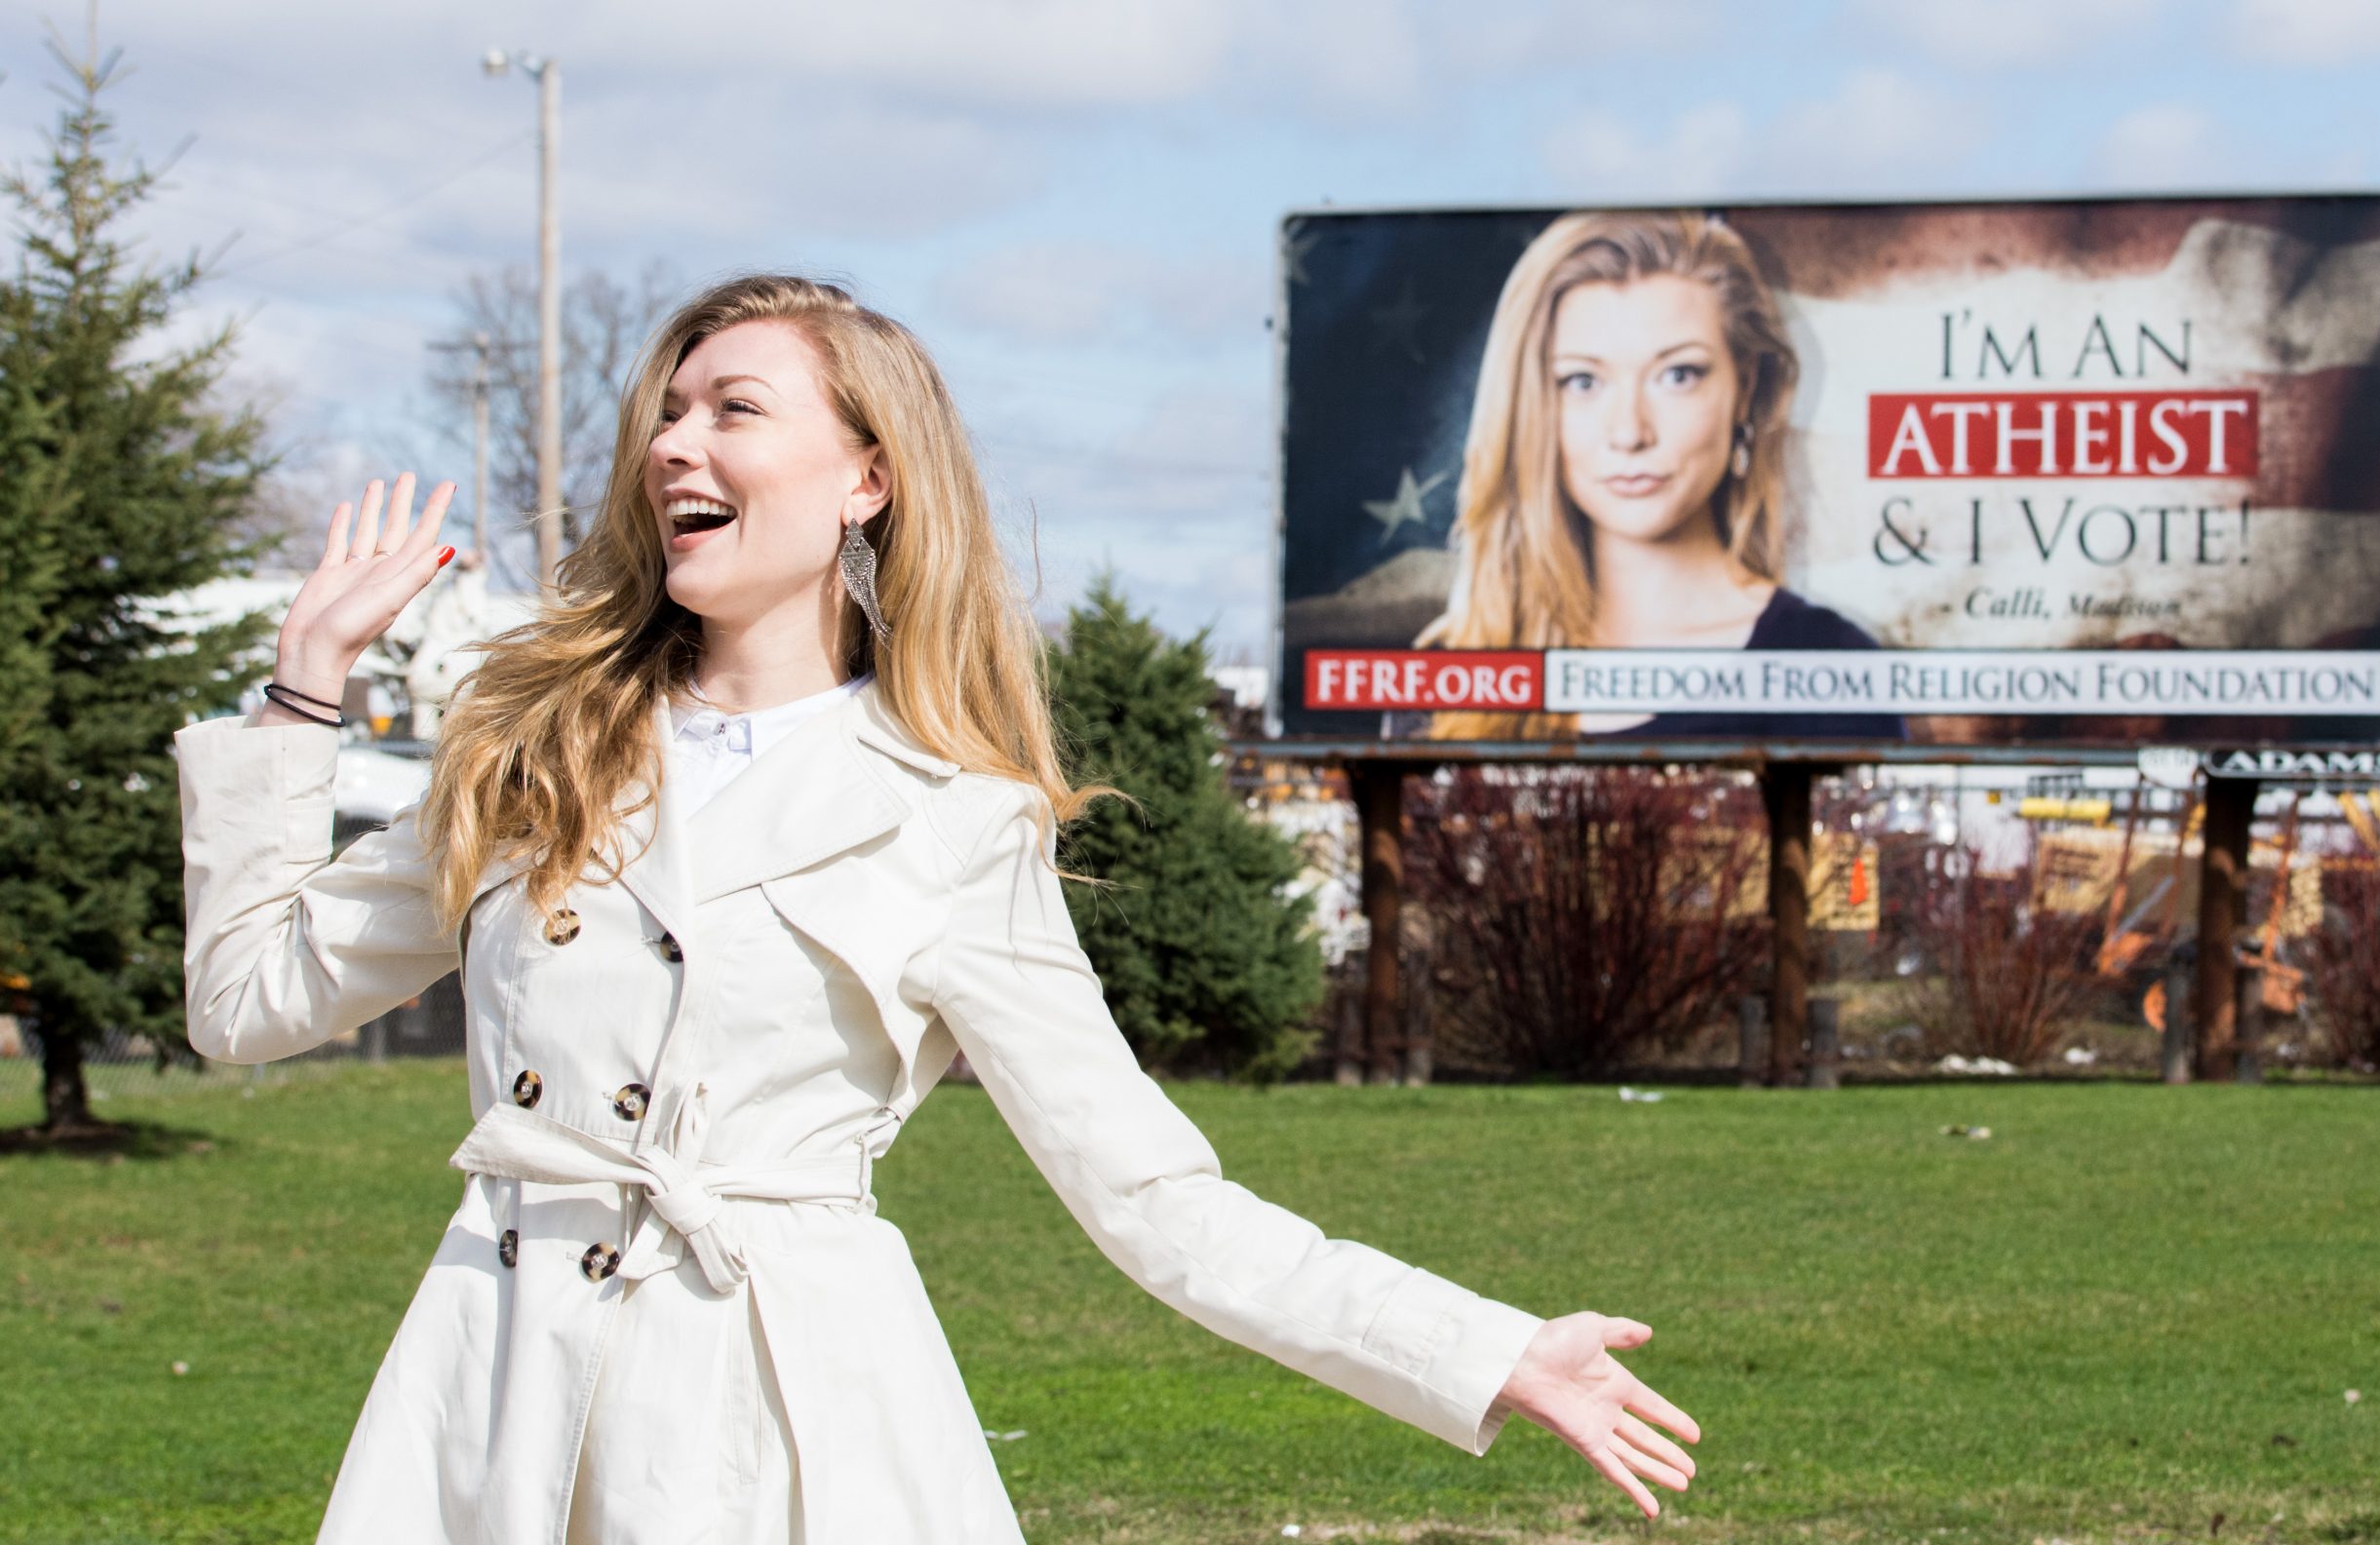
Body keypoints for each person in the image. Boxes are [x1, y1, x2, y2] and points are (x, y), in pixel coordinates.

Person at [174, 274, 1700, 1544]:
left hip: (781, 1433)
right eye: (668, 409)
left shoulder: (953, 819)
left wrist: (1482, 1351)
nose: (672, 444)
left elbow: (1158, 1204)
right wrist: (305, 683)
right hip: (491, 1407)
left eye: (733, 409)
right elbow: (245, 1006)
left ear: (867, 477)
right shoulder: (527, 747)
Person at [1401, 210, 1901, 742]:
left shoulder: (1829, 666)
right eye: (1582, 381)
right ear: (1528, 406)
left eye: (1677, 375)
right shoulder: (1448, 673)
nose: (1630, 432)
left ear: (1746, 388)